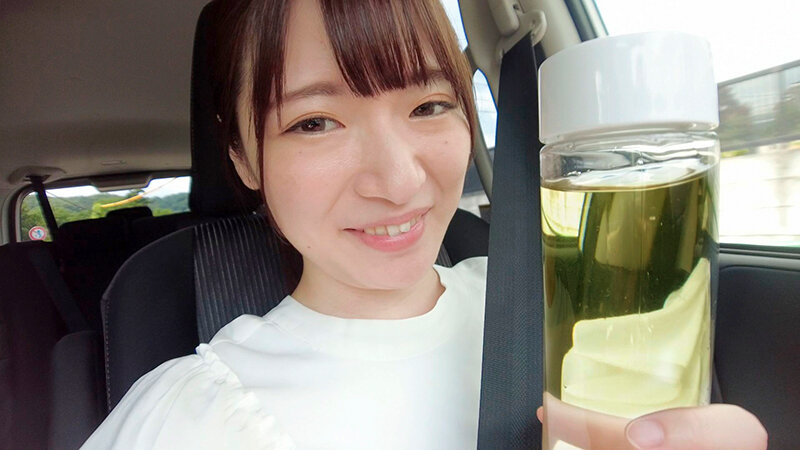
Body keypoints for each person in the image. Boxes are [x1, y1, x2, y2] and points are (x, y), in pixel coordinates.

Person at [83, 0, 768, 449]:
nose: (400, 181)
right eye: (314, 122)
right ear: (242, 156)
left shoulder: (564, 303)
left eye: (429, 106)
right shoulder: (193, 414)